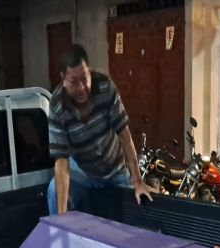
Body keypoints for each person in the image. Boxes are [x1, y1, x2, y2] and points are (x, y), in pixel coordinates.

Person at [47, 44, 152, 214]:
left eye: (85, 78)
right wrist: (61, 217)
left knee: (135, 208)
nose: (81, 88)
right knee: (54, 192)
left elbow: (124, 135)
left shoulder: (105, 86)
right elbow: (61, 161)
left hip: (114, 170)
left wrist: (137, 181)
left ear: (89, 71)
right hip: (82, 171)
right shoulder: (57, 106)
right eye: (74, 82)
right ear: (63, 79)